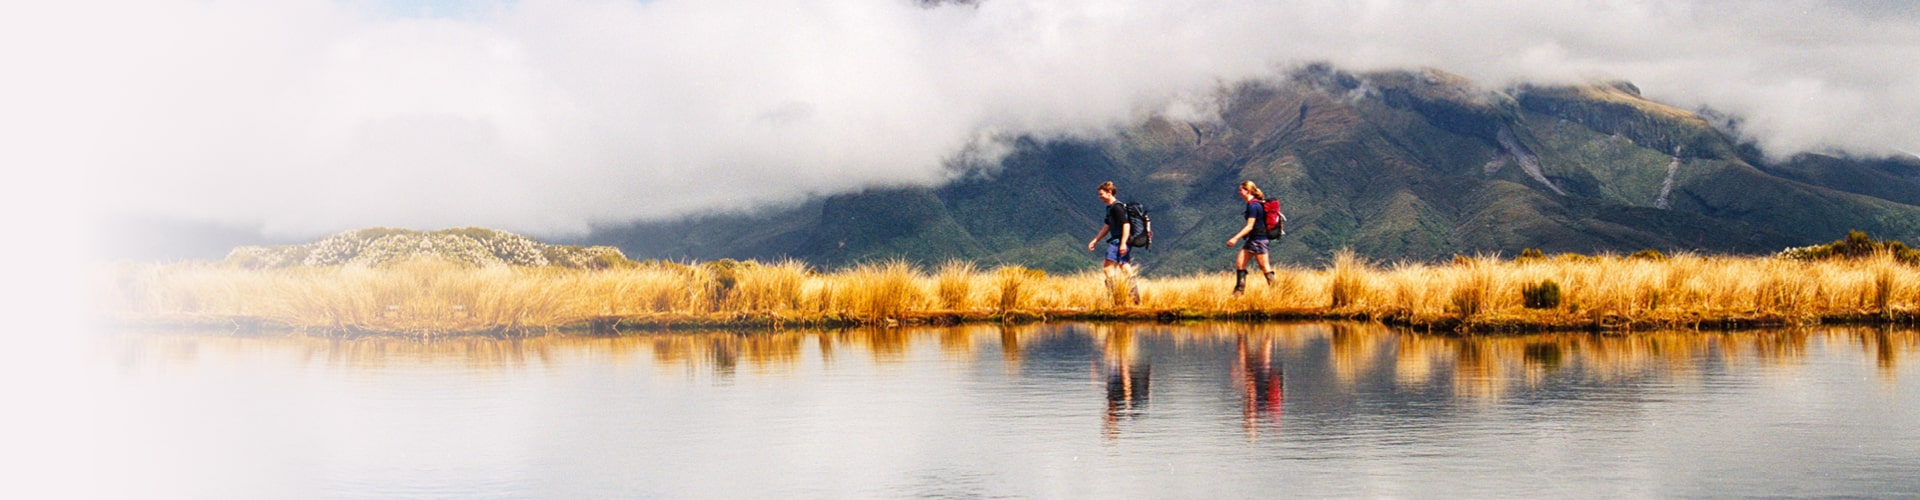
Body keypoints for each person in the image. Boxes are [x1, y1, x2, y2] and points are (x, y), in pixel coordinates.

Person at [1086, 181, 1139, 304]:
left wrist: (1123, 243)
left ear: (1109, 193)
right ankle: (1133, 299)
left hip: (1119, 240)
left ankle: (1116, 299)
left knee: (1108, 268)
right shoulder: (1110, 208)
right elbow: (1108, 225)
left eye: (1101, 194)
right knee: (1124, 267)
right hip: (1119, 240)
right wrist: (1096, 240)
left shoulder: (1117, 207)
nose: (1100, 197)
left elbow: (1126, 224)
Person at [1225, 180, 1277, 295]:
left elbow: (1249, 227)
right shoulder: (1255, 204)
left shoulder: (1253, 206)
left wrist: (1235, 238)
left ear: (1247, 191)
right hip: (1254, 239)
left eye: (1240, 190)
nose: (1239, 192)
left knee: (1264, 266)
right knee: (1240, 263)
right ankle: (1238, 292)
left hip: (1258, 239)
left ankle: (1276, 291)